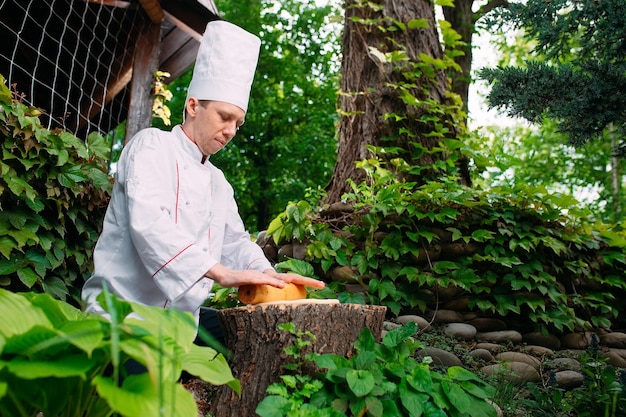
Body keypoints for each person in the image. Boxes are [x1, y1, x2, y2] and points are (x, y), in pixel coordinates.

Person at [81, 19, 325, 347]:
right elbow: (150, 224)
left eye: (238, 122)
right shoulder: (151, 146)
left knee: (262, 338)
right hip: (124, 316)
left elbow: (235, 243)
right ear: (193, 105)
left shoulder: (219, 183)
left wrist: (269, 276)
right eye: (225, 117)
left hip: (182, 323)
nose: (231, 131)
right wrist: (221, 273)